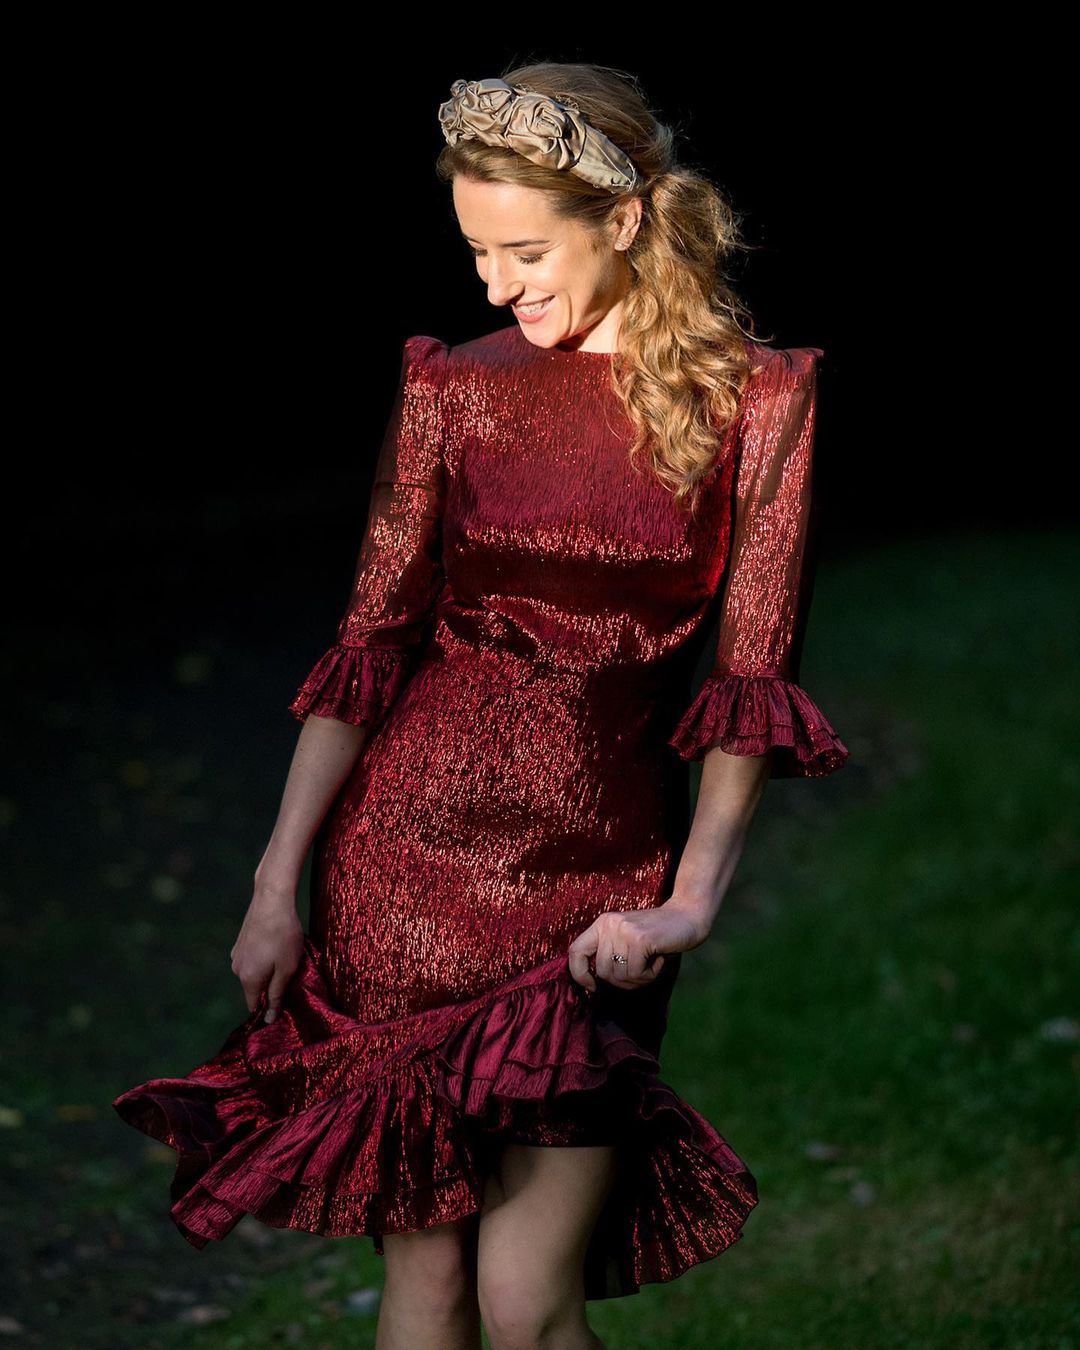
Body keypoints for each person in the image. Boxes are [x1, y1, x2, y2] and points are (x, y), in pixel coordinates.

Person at [114, 62, 849, 1350]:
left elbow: (751, 681)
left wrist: (690, 900)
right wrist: (276, 884)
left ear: (623, 221)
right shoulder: (453, 385)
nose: (497, 286)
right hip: (401, 872)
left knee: (526, 1304)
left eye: (524, 250)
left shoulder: (755, 399)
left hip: (600, 887)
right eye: (475, 252)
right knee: (433, 1287)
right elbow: (369, 647)